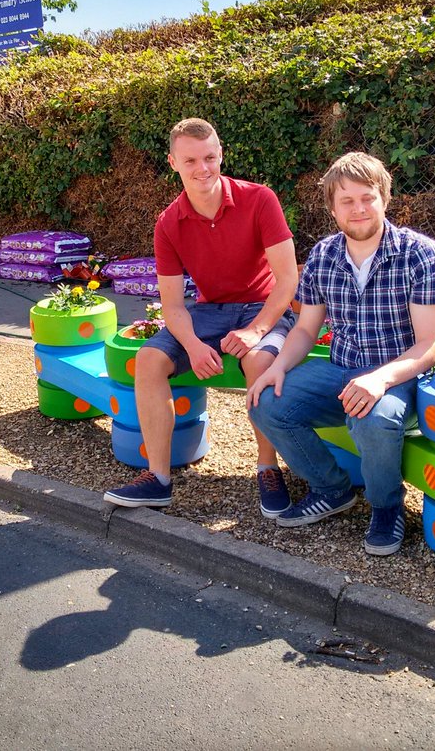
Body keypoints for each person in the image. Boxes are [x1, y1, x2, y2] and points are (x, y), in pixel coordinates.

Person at [247, 151, 435, 556]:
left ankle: (386, 507)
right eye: (347, 201)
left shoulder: (420, 254)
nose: (358, 209)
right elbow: (307, 328)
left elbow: (432, 341)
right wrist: (278, 368)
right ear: (332, 207)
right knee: (266, 403)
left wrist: (379, 379)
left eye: (367, 197)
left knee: (371, 418)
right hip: (341, 369)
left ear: (384, 199)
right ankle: (332, 489)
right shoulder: (324, 256)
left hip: (401, 375)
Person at [103, 118, 299, 514]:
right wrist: (192, 345)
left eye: (210, 157)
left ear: (221, 154)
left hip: (264, 308)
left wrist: (256, 329)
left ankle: (267, 468)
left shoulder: (259, 199)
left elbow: (288, 280)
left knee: (259, 360)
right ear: (173, 162)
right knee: (148, 359)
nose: (203, 168)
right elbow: (173, 305)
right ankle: (158, 479)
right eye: (190, 160)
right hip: (209, 312)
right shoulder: (168, 223)